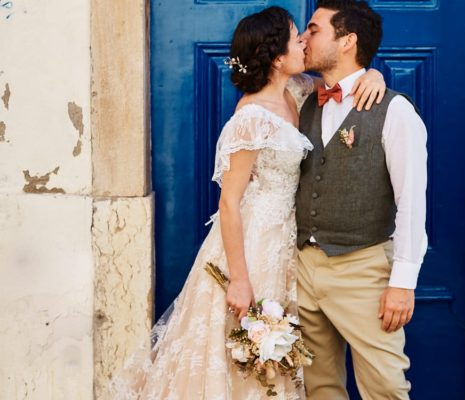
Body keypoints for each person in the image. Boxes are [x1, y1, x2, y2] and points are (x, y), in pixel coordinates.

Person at [101, 6, 386, 400]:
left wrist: (374, 74)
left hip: (292, 240)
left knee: (286, 352)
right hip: (255, 242)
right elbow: (230, 202)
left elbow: (344, 77)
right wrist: (239, 278)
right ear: (276, 55)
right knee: (246, 350)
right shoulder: (250, 117)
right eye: (294, 36)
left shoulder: (299, 92)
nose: (303, 40)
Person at [295, 1, 429, 399]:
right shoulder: (302, 97)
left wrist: (403, 284)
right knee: (317, 387)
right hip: (303, 267)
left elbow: (412, 202)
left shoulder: (395, 110)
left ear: (347, 40)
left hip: (363, 269)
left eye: (314, 29)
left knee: (385, 387)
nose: (304, 37)